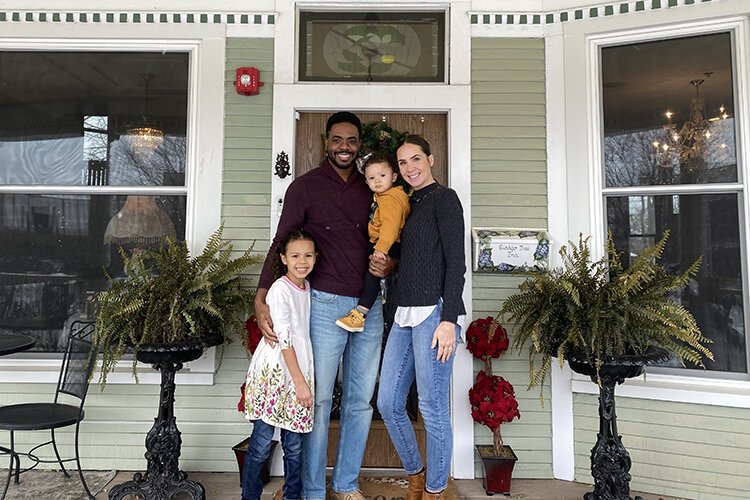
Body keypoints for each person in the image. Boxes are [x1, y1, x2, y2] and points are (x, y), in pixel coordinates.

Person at [255, 111, 395, 500]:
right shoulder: (305, 187)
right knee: (316, 399)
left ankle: (347, 483)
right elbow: (281, 241)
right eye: (337, 140)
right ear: (325, 142)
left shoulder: (375, 189)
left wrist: (390, 263)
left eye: (351, 141)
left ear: (359, 144)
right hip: (324, 304)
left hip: (370, 305)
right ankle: (314, 489)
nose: (344, 147)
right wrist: (261, 292)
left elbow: (390, 245)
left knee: (360, 400)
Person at [377, 135, 466, 500]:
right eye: (403, 163)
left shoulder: (445, 199)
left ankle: (434, 491)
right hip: (403, 313)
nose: (410, 168)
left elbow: (455, 262)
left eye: (416, 159)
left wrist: (449, 320)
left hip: (434, 314)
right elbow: (409, 259)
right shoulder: (407, 203)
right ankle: (415, 473)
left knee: (430, 406)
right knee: (387, 403)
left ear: (430, 159)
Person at [242, 230, 317, 500]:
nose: (302, 261)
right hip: (276, 373)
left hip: (297, 369)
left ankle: (292, 496)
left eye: (308, 255)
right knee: (261, 443)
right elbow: (285, 340)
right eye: (295, 255)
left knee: (294, 445)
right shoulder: (279, 289)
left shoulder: (308, 288)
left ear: (316, 257)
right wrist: (300, 383)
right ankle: (249, 496)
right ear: (284, 258)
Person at [336, 152, 410, 333]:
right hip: (382, 243)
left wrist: (381, 249)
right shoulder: (384, 196)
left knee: (372, 274)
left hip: (386, 244)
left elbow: (390, 227)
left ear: (393, 177)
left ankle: (360, 314)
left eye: (382, 176)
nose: (377, 181)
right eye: (371, 178)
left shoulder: (391, 200)